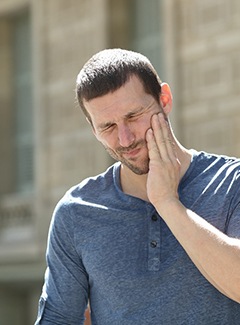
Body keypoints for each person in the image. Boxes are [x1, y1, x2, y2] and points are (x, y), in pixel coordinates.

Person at [35, 48, 240, 325]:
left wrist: (168, 203)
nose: (125, 138)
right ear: (93, 128)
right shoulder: (76, 213)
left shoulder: (231, 182)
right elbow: (57, 319)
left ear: (164, 99)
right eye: (107, 126)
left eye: (133, 116)